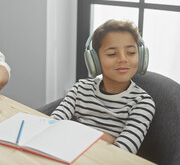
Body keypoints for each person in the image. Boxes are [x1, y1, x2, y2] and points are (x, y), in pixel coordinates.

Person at [51, 20, 155, 154]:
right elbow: (52, 124)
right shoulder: (80, 88)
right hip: (67, 153)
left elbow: (122, 152)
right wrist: (108, 138)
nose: (123, 59)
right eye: (112, 54)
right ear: (94, 60)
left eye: (131, 52)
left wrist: (73, 130)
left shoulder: (143, 102)